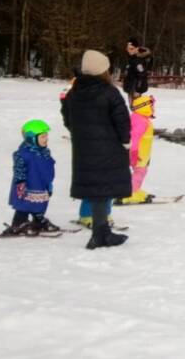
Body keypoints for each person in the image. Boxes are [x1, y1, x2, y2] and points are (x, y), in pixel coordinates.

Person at [62, 50, 130, 250]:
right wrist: (125, 141)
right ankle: (101, 233)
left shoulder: (75, 92)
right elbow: (122, 120)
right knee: (103, 187)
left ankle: (101, 231)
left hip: (84, 148)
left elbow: (67, 117)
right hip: (108, 147)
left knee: (96, 187)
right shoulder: (109, 92)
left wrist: (80, 134)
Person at [0, 119, 60, 236]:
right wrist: (21, 183)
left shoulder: (45, 152)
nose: (46, 139)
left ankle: (38, 220)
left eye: (46, 136)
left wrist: (49, 184)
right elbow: (19, 169)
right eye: (42, 137)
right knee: (24, 205)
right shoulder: (22, 154)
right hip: (28, 185)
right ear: (31, 138)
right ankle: (18, 224)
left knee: (40, 204)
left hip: (41, 184)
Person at [119, 95, 156, 205]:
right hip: (138, 153)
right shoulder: (140, 121)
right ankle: (130, 193)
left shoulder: (139, 118)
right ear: (144, 107)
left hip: (142, 152)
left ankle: (134, 189)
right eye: (151, 106)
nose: (153, 108)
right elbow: (134, 137)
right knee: (140, 172)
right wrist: (134, 153)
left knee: (139, 172)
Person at [122, 38, 152, 104]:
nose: (129, 50)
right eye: (128, 48)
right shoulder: (131, 59)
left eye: (131, 48)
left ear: (137, 49)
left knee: (136, 109)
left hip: (135, 90)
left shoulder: (138, 61)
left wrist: (138, 90)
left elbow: (142, 75)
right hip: (130, 88)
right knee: (133, 109)